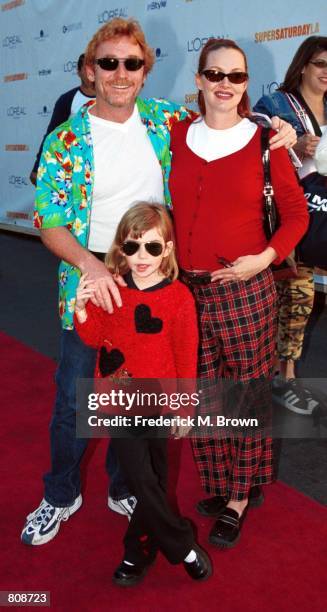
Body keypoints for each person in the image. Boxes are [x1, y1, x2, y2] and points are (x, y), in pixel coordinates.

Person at [22, 17, 296, 547]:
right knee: (75, 400)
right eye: (109, 63)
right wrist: (93, 267)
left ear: (146, 72)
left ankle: (127, 488)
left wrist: (277, 130)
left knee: (144, 399)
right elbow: (49, 222)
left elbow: (225, 119)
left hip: (157, 284)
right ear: (89, 71)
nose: (120, 74)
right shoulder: (64, 140)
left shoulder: (167, 121)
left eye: (132, 63)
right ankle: (60, 495)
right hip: (93, 280)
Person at [168, 38, 309, 549]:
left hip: (246, 289)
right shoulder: (176, 135)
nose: (225, 85)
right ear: (200, 79)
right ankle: (226, 480)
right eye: (215, 75)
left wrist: (265, 259)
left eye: (237, 76)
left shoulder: (265, 141)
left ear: (248, 84)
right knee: (205, 393)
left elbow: (296, 215)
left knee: (245, 394)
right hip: (187, 290)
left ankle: (239, 497)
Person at [74, 202, 211, 586]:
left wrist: (184, 409)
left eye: (152, 247)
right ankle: (182, 545)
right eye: (132, 247)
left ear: (167, 249)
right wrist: (83, 309)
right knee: (140, 478)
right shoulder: (114, 287)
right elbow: (93, 337)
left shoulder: (180, 298)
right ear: (121, 248)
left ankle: (139, 550)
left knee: (157, 482)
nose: (141, 257)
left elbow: (187, 356)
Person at [254, 36, 327, 411]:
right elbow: (252, 148)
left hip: (321, 217)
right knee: (288, 295)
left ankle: (285, 374)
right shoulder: (276, 104)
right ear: (303, 66)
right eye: (322, 64)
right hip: (284, 217)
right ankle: (275, 376)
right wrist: (295, 147)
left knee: (302, 297)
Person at [30, 54, 96, 186]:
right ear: (78, 72)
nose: (90, 72)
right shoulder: (67, 100)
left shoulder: (110, 99)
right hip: (74, 168)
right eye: (86, 68)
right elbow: (51, 136)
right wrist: (37, 167)